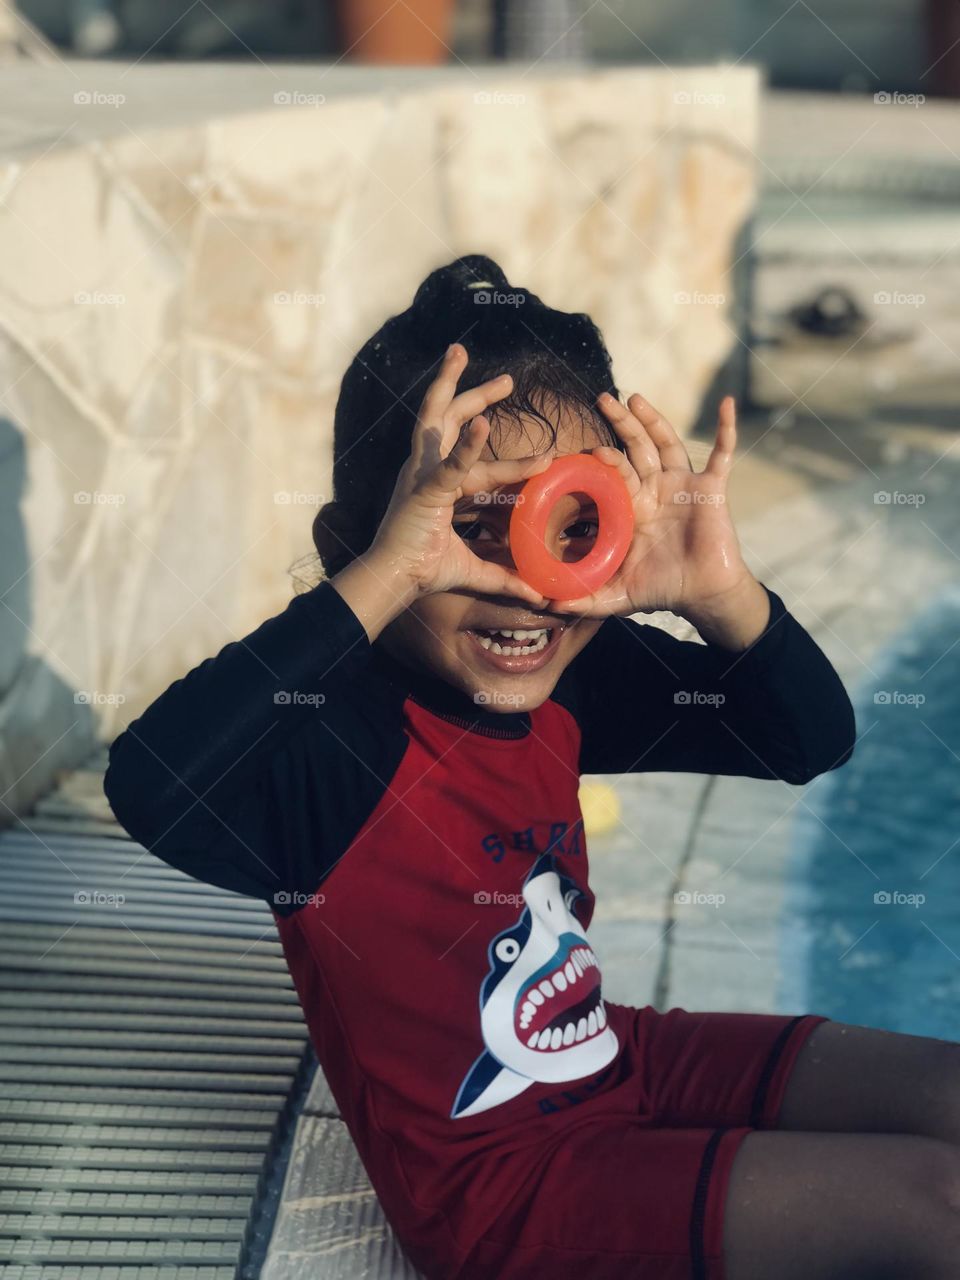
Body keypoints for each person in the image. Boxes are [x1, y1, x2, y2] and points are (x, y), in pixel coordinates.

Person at [103, 255, 960, 1279]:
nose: (523, 586)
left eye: (568, 525)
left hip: (611, 1055)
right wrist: (382, 577)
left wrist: (719, 593)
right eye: (465, 528)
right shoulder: (334, 745)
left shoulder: (568, 682)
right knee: (936, 1206)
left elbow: (807, 739)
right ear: (364, 547)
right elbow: (152, 781)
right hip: (504, 1190)